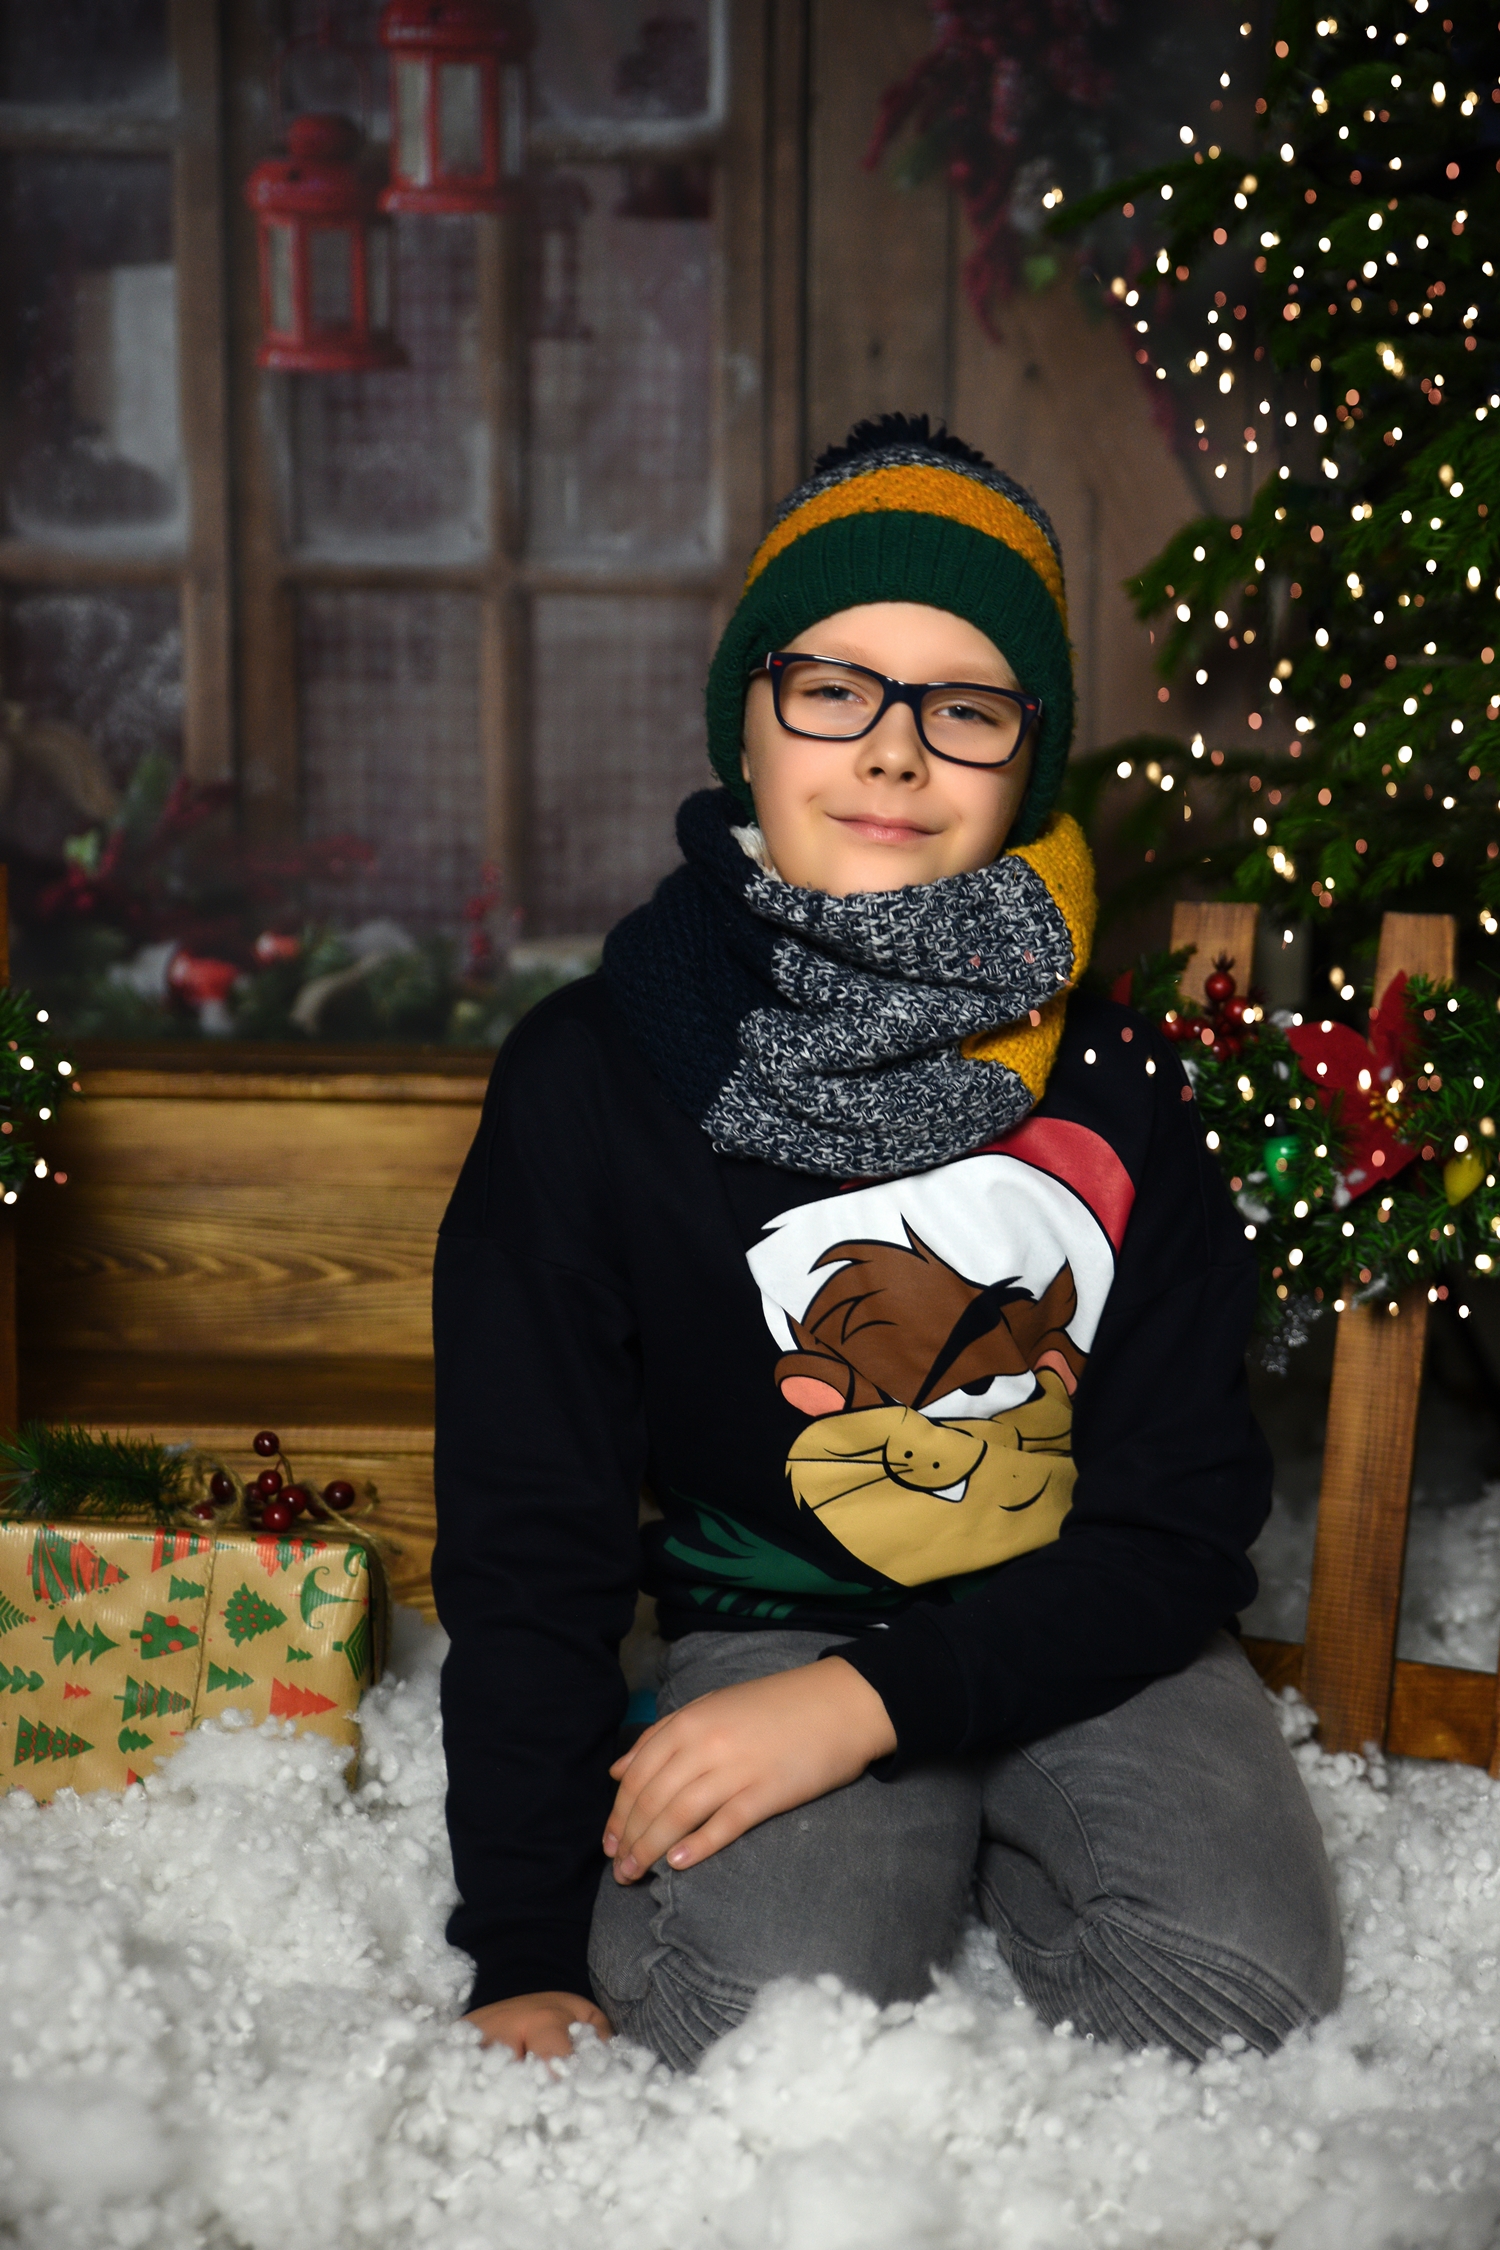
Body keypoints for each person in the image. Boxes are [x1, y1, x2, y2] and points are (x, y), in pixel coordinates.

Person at [432, 414, 1342, 2074]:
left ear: (1026, 758)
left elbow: (1182, 1517)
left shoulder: (1125, 1084)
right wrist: (522, 1943)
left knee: (1229, 1992)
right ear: (746, 718)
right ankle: (908, 1832)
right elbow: (527, 1533)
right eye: (833, 688)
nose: (895, 755)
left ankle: (985, 1803)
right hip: (778, 1617)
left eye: (965, 707)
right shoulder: (593, 1073)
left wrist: (883, 1707)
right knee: (759, 2017)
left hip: (1085, 1616)